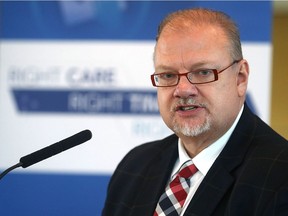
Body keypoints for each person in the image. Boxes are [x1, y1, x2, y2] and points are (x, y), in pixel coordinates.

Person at [102, 8, 288, 216]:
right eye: (168, 75)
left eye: (202, 72)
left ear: (240, 78)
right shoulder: (134, 166)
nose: (182, 89)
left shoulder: (281, 177)